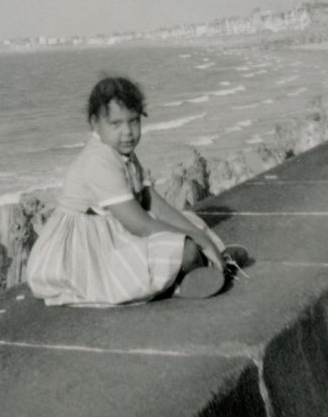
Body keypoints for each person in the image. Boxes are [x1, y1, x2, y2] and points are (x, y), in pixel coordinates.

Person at [27, 76, 246, 306]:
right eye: (116, 124)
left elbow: (156, 205)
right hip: (85, 252)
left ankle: (199, 268)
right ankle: (178, 283)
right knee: (185, 248)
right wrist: (198, 241)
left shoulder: (123, 153)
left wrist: (198, 234)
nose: (128, 132)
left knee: (191, 222)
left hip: (115, 228)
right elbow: (140, 225)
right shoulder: (98, 161)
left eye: (134, 121)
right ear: (94, 123)